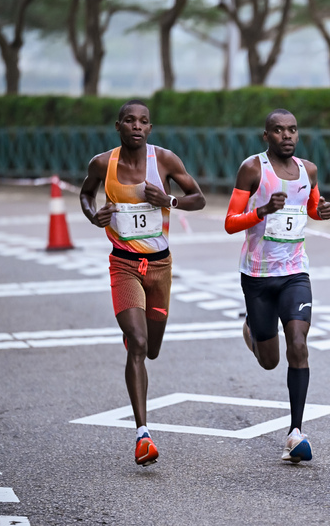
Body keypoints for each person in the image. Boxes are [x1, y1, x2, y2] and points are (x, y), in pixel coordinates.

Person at [80, 99, 206, 466]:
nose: (137, 126)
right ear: (118, 126)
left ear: (149, 128)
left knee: (152, 348)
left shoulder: (164, 160)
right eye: (130, 120)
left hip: (160, 267)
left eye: (143, 121)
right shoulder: (102, 164)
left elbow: (199, 198)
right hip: (124, 264)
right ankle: (142, 434)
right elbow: (86, 194)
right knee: (137, 344)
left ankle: (137, 334)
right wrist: (94, 215)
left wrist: (169, 200)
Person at [224, 108, 330, 463]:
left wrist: (321, 210)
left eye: (293, 130)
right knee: (269, 360)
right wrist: (262, 210)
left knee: (298, 344)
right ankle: (252, 330)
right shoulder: (253, 169)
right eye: (279, 130)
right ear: (266, 135)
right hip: (258, 276)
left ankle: (295, 432)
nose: (287, 135)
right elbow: (230, 222)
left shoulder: (308, 170)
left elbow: (310, 208)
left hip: (295, 272)